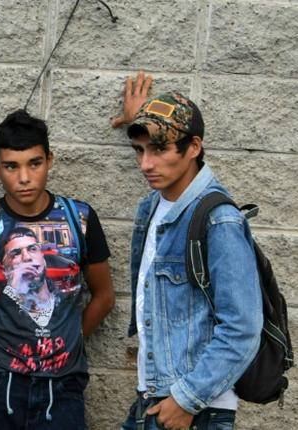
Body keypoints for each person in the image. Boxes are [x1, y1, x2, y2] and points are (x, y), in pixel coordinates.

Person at [112, 72, 263, 430]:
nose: (146, 164)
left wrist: (186, 400)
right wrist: (141, 121)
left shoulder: (219, 221)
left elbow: (242, 328)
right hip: (152, 400)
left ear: (193, 147)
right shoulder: (154, 206)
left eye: (159, 149)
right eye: (139, 150)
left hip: (197, 410)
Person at [0, 109, 115, 429]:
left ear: (49, 160)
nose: (24, 178)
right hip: (2, 383)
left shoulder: (79, 218)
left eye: (34, 164)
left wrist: (72, 339)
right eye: (11, 166)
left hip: (65, 383)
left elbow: (104, 296)